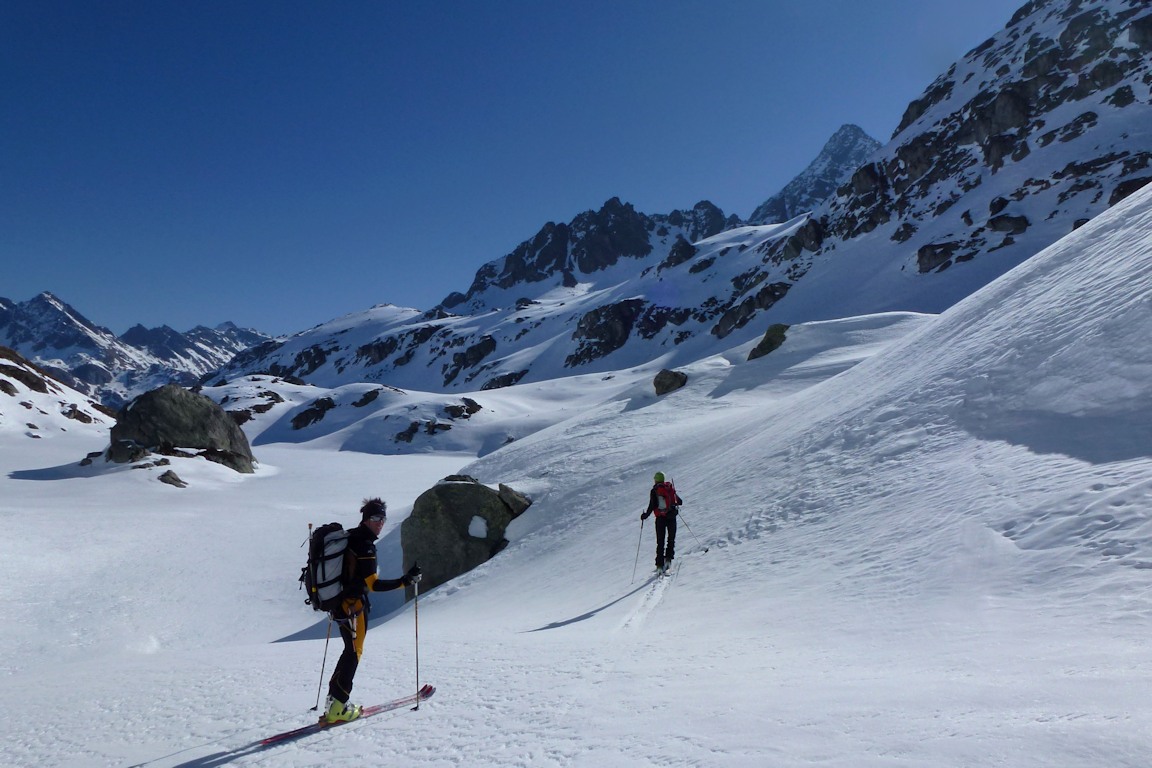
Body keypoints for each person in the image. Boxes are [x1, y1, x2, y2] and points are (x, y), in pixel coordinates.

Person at [324, 497, 422, 724]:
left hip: (340, 605)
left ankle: (335, 702)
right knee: (353, 654)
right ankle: (338, 709)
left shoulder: (351, 537)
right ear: (366, 519)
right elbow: (374, 585)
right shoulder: (365, 545)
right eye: (376, 518)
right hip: (354, 607)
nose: (380, 523)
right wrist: (406, 581)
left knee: (349, 651)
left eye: (383, 519)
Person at [641, 472, 682, 572]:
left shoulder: (655, 490)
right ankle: (668, 559)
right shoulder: (669, 488)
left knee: (660, 542)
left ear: (655, 480)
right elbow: (680, 502)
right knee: (671, 539)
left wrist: (645, 516)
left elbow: (652, 505)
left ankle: (659, 564)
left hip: (660, 519)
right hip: (672, 517)